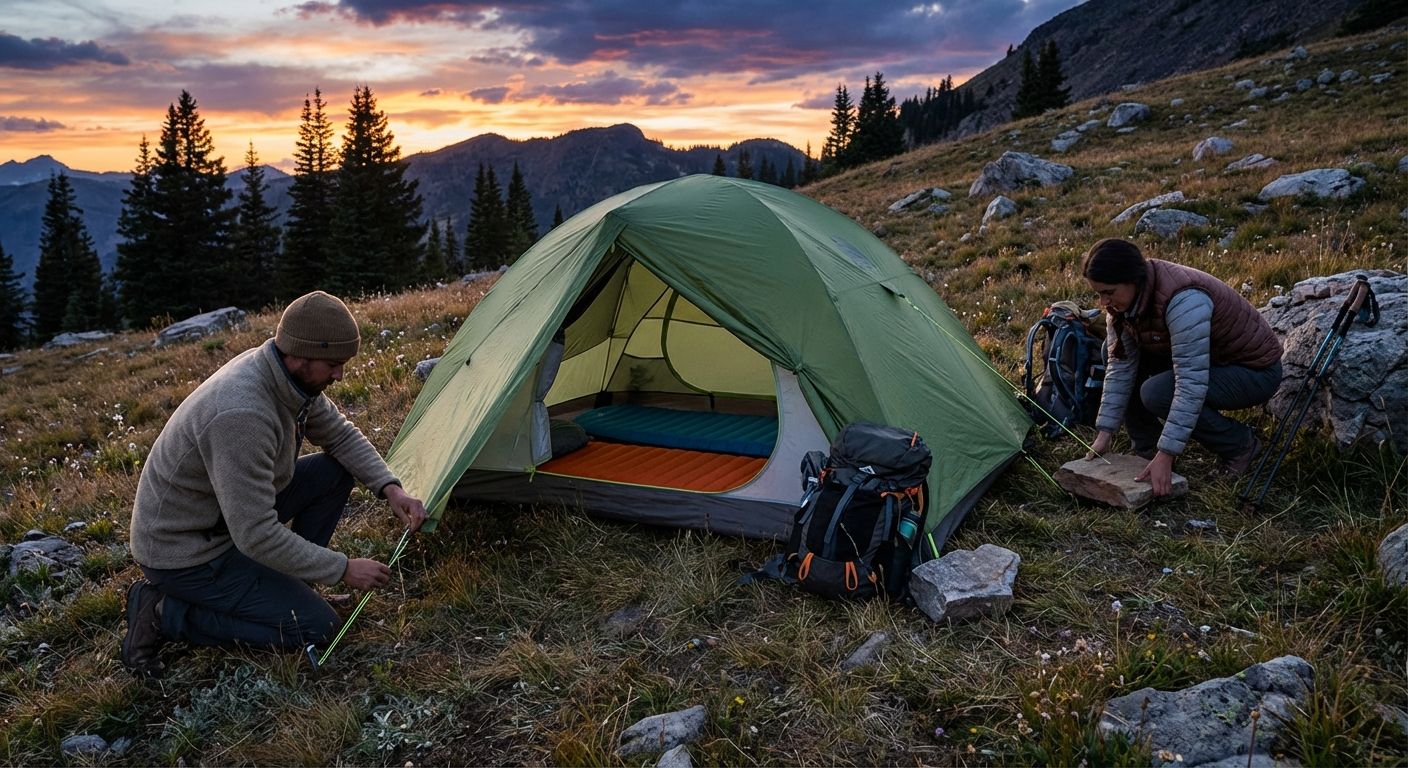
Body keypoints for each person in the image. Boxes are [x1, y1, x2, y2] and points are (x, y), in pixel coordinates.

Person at [122, 290, 427, 678]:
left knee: (332, 474)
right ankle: (164, 612)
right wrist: (341, 568)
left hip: (226, 518)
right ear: (300, 354)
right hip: (185, 551)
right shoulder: (241, 414)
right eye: (334, 364)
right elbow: (256, 534)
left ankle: (289, 588)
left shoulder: (288, 378)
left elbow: (339, 436)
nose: (340, 375)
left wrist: (390, 489)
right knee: (319, 627)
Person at [1081, 238, 1283, 496]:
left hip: (1252, 371)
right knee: (1112, 351)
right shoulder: (1125, 304)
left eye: (1108, 292)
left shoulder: (1184, 300)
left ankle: (1239, 445)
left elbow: (1191, 382)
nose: (1103, 302)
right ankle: (1147, 450)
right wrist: (1105, 431)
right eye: (1098, 293)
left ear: (1133, 279)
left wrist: (1169, 452)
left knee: (1157, 392)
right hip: (1209, 361)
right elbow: (1120, 367)